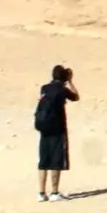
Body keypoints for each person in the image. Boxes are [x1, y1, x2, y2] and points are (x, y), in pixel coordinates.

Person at [36, 65, 78, 202]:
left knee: (43, 161)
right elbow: (76, 97)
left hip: (44, 128)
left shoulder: (44, 88)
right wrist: (70, 82)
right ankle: (54, 192)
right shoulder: (62, 90)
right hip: (57, 128)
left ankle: (41, 193)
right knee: (56, 161)